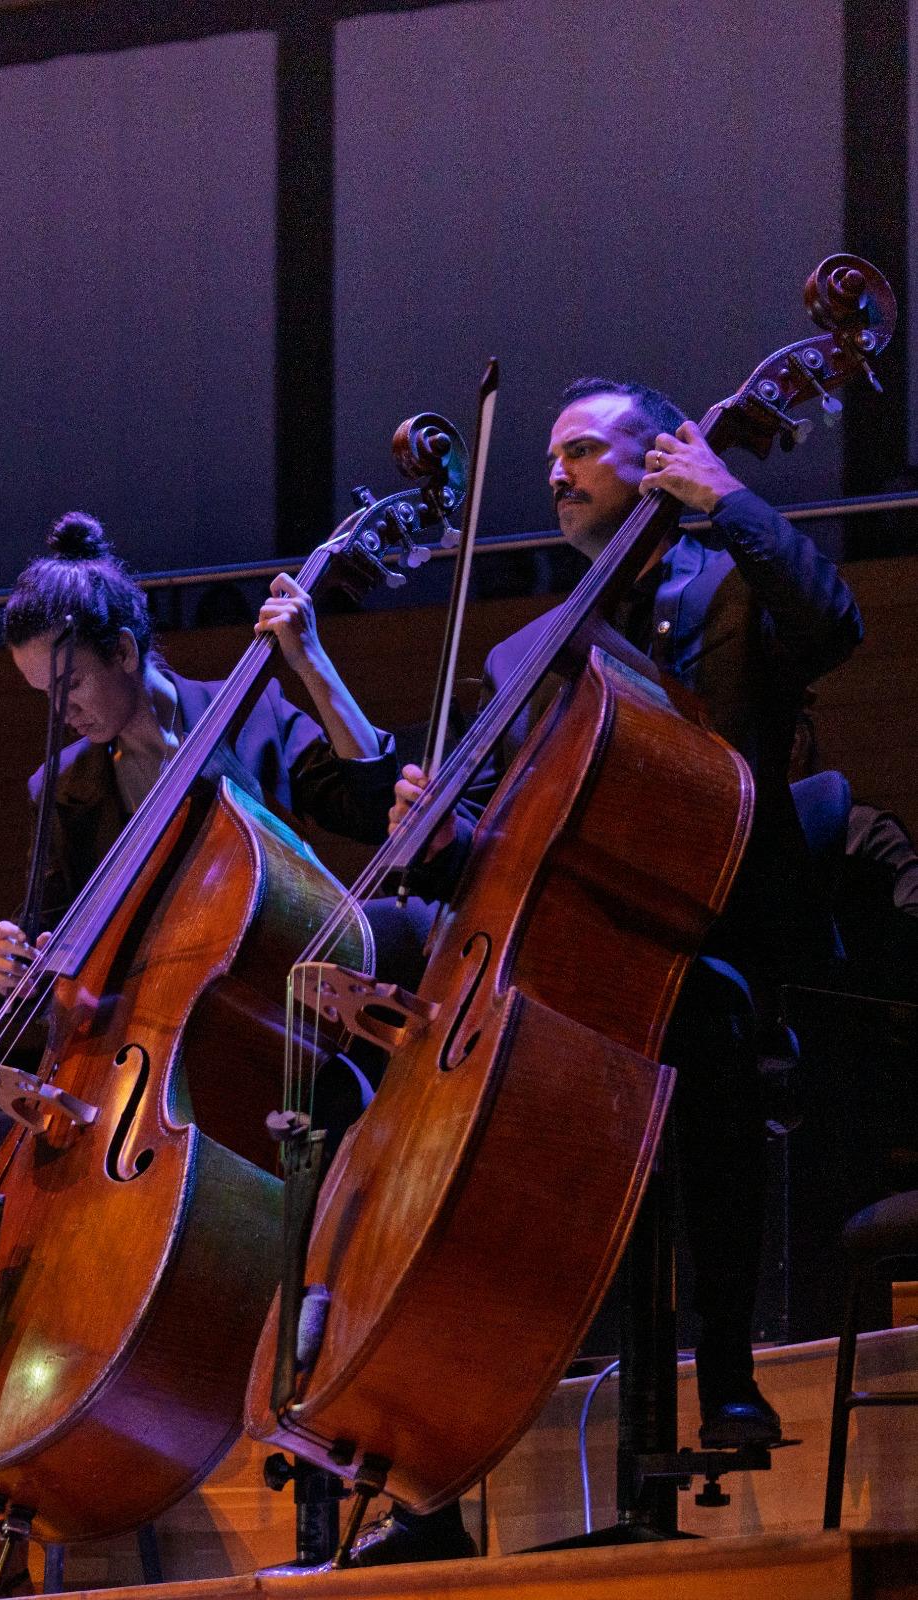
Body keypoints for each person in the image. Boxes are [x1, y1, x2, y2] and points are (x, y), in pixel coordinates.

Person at [363, 376, 863, 1566]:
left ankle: (728, 1362)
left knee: (706, 1011)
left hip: (713, 928)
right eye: (547, 456)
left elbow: (837, 624)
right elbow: (481, 848)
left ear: (656, 460)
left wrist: (729, 494)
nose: (553, 472)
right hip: (560, 965)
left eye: (583, 448)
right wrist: (435, 816)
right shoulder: (530, 649)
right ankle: (429, 1476)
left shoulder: (731, 577)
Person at [0, 511, 398, 1598]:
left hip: (275, 1043)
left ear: (129, 650)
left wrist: (310, 664)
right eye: (45, 699)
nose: (62, 717)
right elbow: (61, 971)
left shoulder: (254, 719)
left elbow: (371, 807)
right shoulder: (70, 791)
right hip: (139, 1070)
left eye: (70, 690)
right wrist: (21, 964)